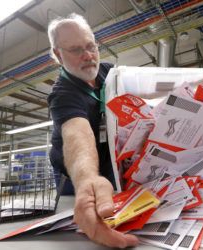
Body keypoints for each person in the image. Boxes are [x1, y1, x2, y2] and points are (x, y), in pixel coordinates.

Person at [47, 13, 139, 248]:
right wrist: (87, 179)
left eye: (90, 46)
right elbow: (77, 135)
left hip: (107, 165)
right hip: (72, 174)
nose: (88, 56)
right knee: (75, 213)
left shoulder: (109, 73)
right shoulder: (62, 94)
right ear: (58, 54)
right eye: (76, 50)